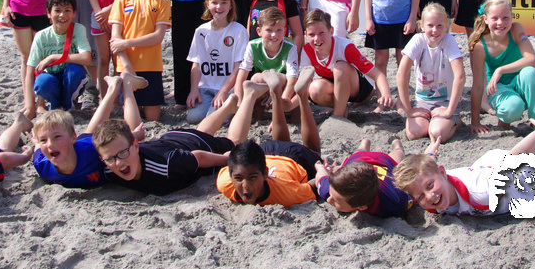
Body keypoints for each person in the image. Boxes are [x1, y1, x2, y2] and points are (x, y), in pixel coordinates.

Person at [393, 112, 535, 216]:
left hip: (518, 178)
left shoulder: (481, 191)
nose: (429, 196)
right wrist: (430, 153)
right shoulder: (430, 190)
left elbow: (512, 158)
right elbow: (428, 165)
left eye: (430, 186)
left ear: (442, 173)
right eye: (420, 196)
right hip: (489, 166)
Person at [213, 76, 323, 207]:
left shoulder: (285, 194)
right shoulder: (224, 183)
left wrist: (320, 169)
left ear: (265, 173)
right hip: (265, 151)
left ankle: (301, 98)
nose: (246, 186)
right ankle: (283, 96)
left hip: (294, 157)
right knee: (283, 143)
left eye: (252, 178)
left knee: (314, 152)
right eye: (238, 179)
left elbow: (312, 187)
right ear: (231, 177)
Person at [30, 76, 145, 189]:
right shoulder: (42, 166)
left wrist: (135, 135)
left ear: (73, 138)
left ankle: (126, 86)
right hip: (79, 144)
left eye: (56, 137)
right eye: (43, 140)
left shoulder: (92, 149)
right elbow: (38, 149)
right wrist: (37, 143)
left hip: (87, 145)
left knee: (133, 138)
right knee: (89, 134)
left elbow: (116, 142)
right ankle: (113, 88)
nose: (50, 144)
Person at [468, 0, 535, 132]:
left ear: (512, 17)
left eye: (505, 18)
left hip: (521, 82)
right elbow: (477, 86)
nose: (500, 23)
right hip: (498, 88)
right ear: (485, 19)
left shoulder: (516, 29)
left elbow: (532, 60)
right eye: (495, 18)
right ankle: (504, 121)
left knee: (530, 73)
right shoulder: (480, 46)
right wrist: (475, 122)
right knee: (513, 107)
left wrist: (500, 70)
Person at [294, 9, 396, 118]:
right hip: (335, 86)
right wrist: (290, 104)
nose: (317, 39)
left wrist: (386, 94)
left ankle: (338, 115)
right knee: (314, 89)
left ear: (331, 31)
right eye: (312, 34)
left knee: (340, 68)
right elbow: (305, 85)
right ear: (306, 34)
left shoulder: (345, 47)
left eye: (321, 33)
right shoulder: (307, 51)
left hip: (358, 88)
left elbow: (377, 74)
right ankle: (341, 107)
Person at [92, 118, 234, 196]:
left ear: (136, 146)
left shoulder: (166, 165)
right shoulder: (108, 171)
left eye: (123, 153)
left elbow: (198, 158)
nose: (118, 163)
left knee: (234, 142)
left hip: (192, 144)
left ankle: (244, 99)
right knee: (202, 131)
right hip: (168, 140)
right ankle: (228, 105)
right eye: (110, 159)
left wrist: (226, 159)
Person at [109, 0, 172, 122]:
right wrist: (127, 67)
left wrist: (126, 43)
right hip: (127, 68)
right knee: (132, 119)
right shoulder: (121, 0)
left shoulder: (163, 1)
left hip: (152, 66)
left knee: (153, 119)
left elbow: (158, 37)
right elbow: (115, 39)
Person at [396, 3, 465, 149]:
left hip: (445, 100)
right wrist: (408, 109)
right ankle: (435, 122)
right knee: (414, 133)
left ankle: (454, 120)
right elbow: (401, 74)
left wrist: (449, 110)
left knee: (437, 133)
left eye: (439, 26)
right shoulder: (418, 40)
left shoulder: (449, 41)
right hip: (423, 101)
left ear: (446, 25)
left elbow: (460, 76)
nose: (435, 30)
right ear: (421, 26)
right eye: (430, 25)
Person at [185, 0, 248, 123]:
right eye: (214, 2)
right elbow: (196, 64)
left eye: (224, 3)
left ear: (230, 6)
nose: (219, 7)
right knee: (193, 118)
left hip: (228, 89)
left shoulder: (239, 30)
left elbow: (238, 68)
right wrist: (194, 89)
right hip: (205, 87)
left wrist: (223, 91)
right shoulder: (201, 31)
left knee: (215, 120)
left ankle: (231, 108)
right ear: (207, 4)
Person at [23, 0, 92, 115]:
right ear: (48, 13)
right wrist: (30, 106)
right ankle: (55, 106)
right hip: (52, 78)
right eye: (57, 10)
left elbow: (86, 58)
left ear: (74, 13)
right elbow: (30, 71)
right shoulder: (41, 36)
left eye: (67, 10)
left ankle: (68, 105)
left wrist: (53, 57)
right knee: (42, 82)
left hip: (72, 77)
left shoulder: (78, 29)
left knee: (74, 71)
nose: (62, 15)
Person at [315, 138, 414, 218]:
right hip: (359, 160)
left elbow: (412, 194)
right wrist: (320, 167)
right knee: (357, 154)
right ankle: (364, 144)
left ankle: (397, 147)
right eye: (331, 194)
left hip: (384, 163)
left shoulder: (393, 203)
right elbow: (321, 177)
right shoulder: (333, 188)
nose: (329, 200)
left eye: (337, 201)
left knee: (396, 162)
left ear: (361, 207)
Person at [236, 7, 300, 108]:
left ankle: (280, 106)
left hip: (283, 85)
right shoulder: (252, 46)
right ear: (259, 31)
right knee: (256, 79)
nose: (274, 35)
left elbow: (292, 79)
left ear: (284, 31)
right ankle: (258, 109)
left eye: (279, 30)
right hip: (262, 84)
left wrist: (283, 101)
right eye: (269, 30)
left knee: (281, 82)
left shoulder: (290, 47)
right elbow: (241, 75)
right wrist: (239, 102)